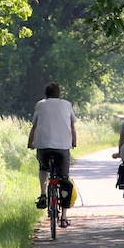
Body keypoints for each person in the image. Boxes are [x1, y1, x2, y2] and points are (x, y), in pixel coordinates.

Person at [27, 82, 78, 226]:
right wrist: (73, 141)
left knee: (43, 167)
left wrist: (30, 142)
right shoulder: (67, 104)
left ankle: (43, 194)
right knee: (64, 179)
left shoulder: (40, 105)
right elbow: (72, 126)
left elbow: (34, 126)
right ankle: (64, 217)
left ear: (46, 94)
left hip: (43, 145)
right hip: (62, 146)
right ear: (59, 94)